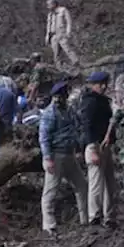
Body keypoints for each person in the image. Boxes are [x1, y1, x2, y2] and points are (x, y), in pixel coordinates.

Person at [39, 81, 89, 232]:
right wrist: (47, 158)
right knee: (51, 191)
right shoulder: (50, 114)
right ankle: (49, 225)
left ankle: (85, 219)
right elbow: (44, 137)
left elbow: (76, 127)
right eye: (58, 96)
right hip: (56, 155)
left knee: (82, 185)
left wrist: (79, 148)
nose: (61, 99)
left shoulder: (69, 110)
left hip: (69, 153)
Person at [81, 72, 117, 225]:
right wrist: (91, 148)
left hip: (105, 143)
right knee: (96, 183)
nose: (103, 86)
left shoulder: (102, 100)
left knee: (109, 182)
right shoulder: (89, 102)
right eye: (99, 84)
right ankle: (94, 215)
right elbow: (87, 126)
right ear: (92, 85)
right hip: (94, 144)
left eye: (104, 83)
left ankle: (109, 216)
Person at [45, 0, 79, 67]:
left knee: (67, 49)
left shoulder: (63, 10)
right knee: (56, 53)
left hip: (61, 34)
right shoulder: (50, 14)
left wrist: (68, 32)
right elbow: (48, 25)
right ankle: (59, 67)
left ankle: (76, 62)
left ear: (54, 4)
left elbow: (69, 22)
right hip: (53, 35)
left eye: (49, 4)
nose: (48, 6)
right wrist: (47, 37)